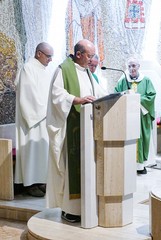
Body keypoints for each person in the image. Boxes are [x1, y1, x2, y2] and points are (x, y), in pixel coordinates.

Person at [46, 39, 106, 223]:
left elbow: (97, 92)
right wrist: (76, 99)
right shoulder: (64, 70)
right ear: (78, 54)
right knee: (73, 170)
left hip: (88, 129)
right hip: (72, 127)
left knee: (87, 169)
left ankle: (87, 208)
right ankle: (70, 210)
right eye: (89, 55)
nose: (92, 59)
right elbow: (57, 95)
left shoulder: (87, 71)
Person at [14, 42, 54, 197]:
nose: (50, 60)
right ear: (39, 53)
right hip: (33, 120)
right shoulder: (28, 69)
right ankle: (30, 184)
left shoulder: (43, 70)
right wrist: (45, 109)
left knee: (42, 151)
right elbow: (28, 96)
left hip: (43, 117)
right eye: (48, 56)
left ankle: (41, 181)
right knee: (33, 151)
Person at [114, 56, 156, 174]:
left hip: (141, 116)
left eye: (134, 66)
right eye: (129, 66)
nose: (131, 68)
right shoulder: (123, 81)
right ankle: (129, 164)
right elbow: (116, 94)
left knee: (141, 139)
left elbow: (151, 96)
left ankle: (141, 165)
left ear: (138, 67)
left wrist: (136, 99)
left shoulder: (146, 80)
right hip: (127, 116)